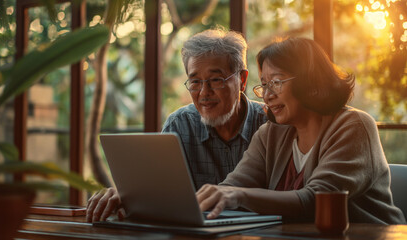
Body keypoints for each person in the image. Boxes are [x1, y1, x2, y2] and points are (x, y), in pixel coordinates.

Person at [196, 37, 406, 224]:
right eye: (264, 85)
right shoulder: (270, 133)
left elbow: (315, 200)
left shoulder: (354, 126)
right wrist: (209, 199)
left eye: (276, 82)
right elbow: (233, 186)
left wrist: (239, 195)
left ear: (310, 81)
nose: (267, 95)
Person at [86, 28, 268, 223]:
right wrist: (125, 195)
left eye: (215, 80)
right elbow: (155, 190)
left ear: (242, 80)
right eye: (195, 81)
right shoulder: (180, 125)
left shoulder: (270, 122)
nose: (204, 93)